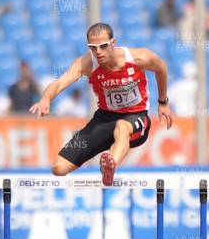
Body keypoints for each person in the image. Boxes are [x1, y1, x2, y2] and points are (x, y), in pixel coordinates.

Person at [29, 23, 173, 186]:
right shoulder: (87, 63)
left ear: (113, 42)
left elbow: (161, 68)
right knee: (58, 168)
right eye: (93, 47)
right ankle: (108, 162)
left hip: (136, 116)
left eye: (103, 46)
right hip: (104, 118)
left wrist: (162, 102)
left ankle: (110, 167)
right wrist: (46, 99)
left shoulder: (139, 58)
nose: (98, 52)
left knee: (122, 127)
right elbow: (60, 83)